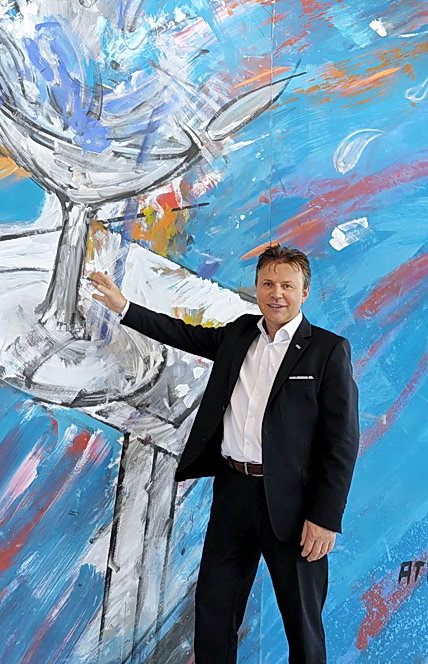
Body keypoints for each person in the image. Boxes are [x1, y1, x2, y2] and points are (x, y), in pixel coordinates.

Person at [88, 244, 359, 664]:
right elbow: (183, 334)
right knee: (214, 609)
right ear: (257, 287)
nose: (276, 293)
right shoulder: (240, 334)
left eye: (287, 285)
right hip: (233, 491)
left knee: (302, 622)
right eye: (267, 283)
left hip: (293, 503)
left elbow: (341, 441)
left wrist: (324, 517)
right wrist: (124, 307)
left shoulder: (327, 350)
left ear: (304, 291)